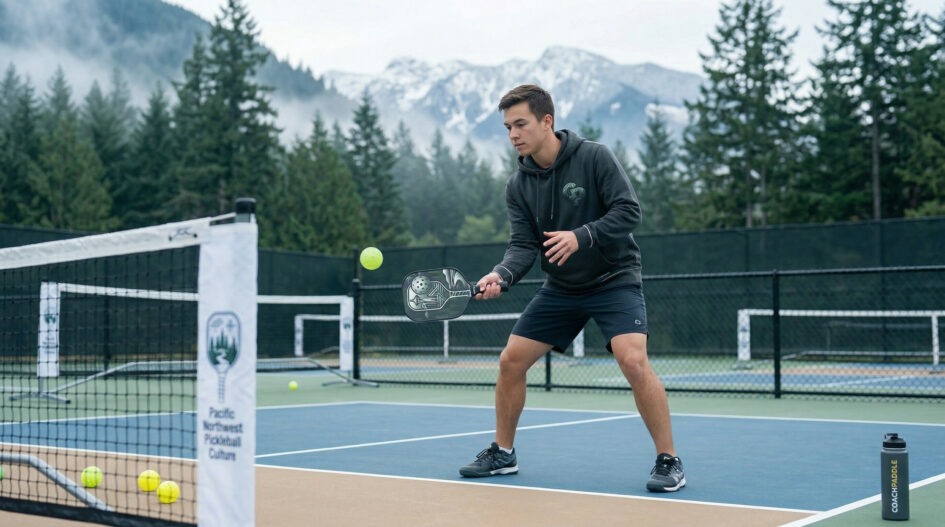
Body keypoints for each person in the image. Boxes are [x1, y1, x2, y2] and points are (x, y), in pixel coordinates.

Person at [458, 84, 685, 492]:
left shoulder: (594, 157)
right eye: (508, 127)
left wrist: (583, 235)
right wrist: (502, 275)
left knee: (632, 360)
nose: (513, 134)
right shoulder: (518, 185)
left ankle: (668, 461)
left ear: (548, 122)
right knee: (511, 360)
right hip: (562, 287)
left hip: (614, 278)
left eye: (521, 124)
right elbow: (524, 246)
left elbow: (629, 210)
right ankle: (503, 453)